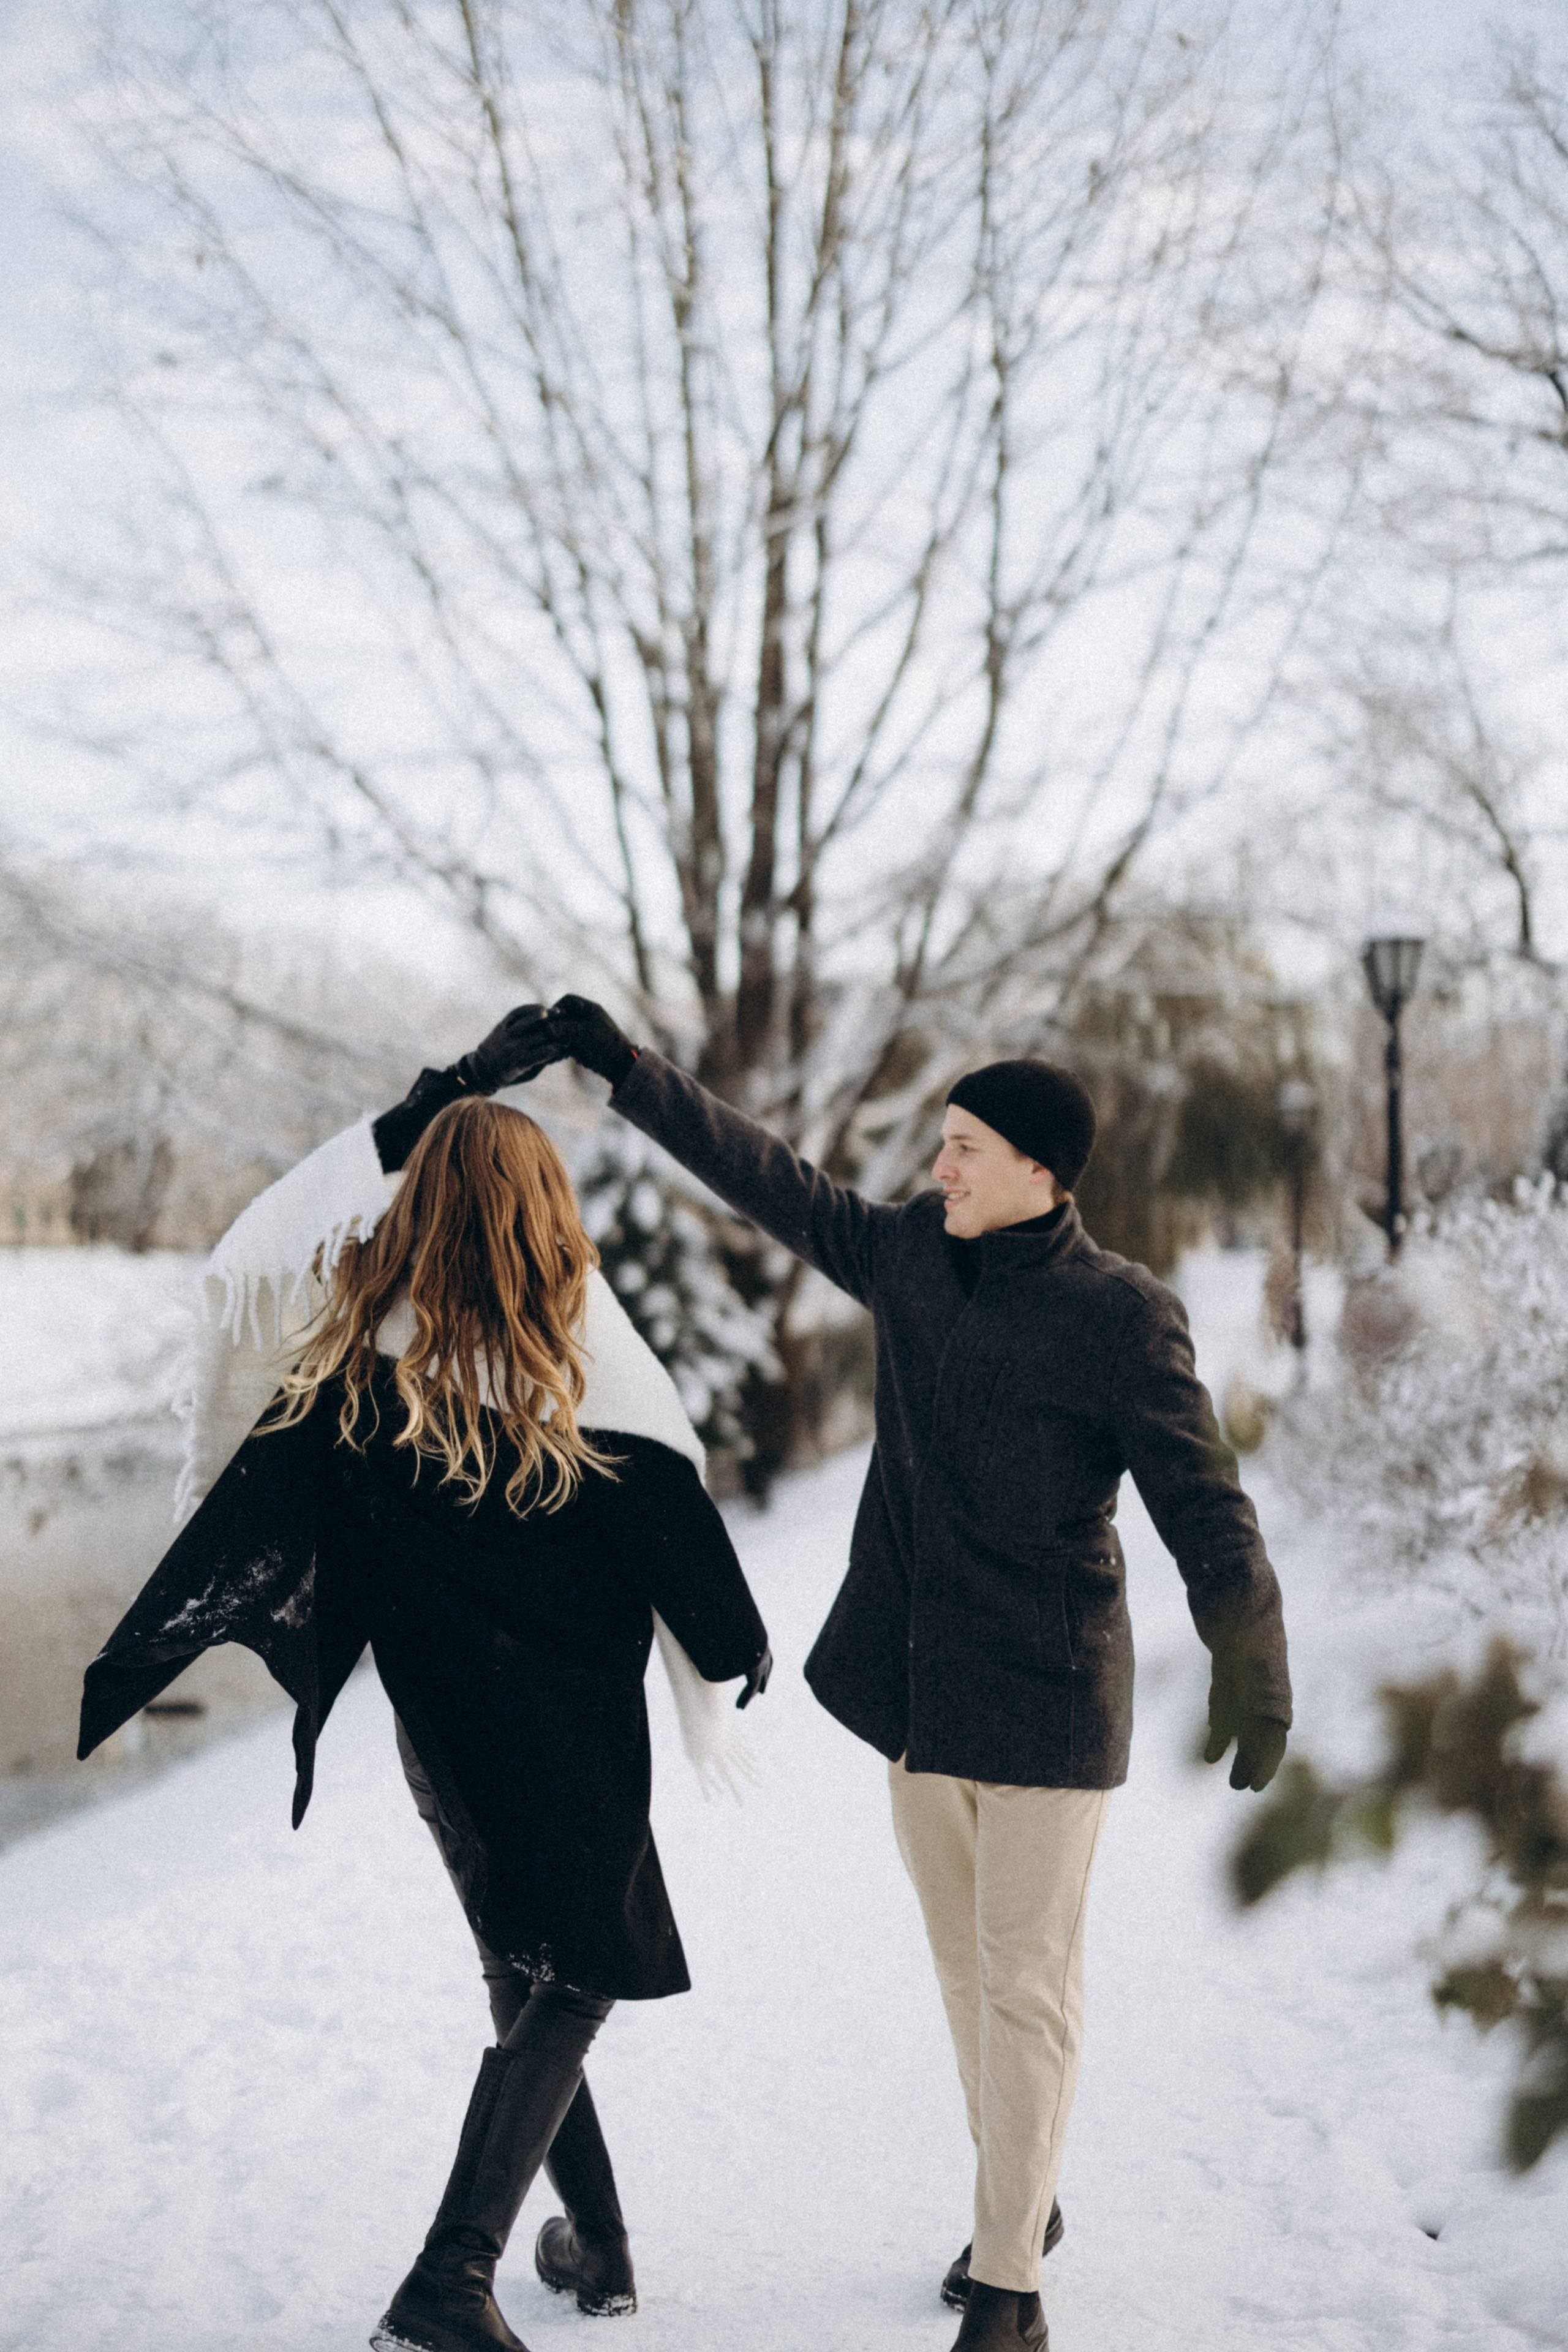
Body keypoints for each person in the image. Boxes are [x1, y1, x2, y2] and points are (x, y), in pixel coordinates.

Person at [511, 996, 1293, 2352]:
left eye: (965, 1149)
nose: (940, 1169)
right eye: (942, 1144)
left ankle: (1009, 2291)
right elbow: (769, 1178)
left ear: (1040, 1171)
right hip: (920, 1696)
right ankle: (1021, 2202)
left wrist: (1251, 1650)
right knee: (965, 1979)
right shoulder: (911, 1258)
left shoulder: (1121, 1315)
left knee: (1025, 1986)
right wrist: (625, 1070)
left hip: (1048, 1698)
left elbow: (1201, 1497)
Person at [78, 1011, 772, 2352]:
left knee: (525, 1970)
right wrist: (735, 1648)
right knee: (576, 1978)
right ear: (547, 1220)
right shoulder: (590, 1390)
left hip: (444, 1735)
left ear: (418, 1213)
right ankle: (449, 2280)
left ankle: (599, 2248)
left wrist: (443, 1095)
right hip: (575, 1736)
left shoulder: (354, 1380)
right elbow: (692, 1557)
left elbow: (264, 1248)